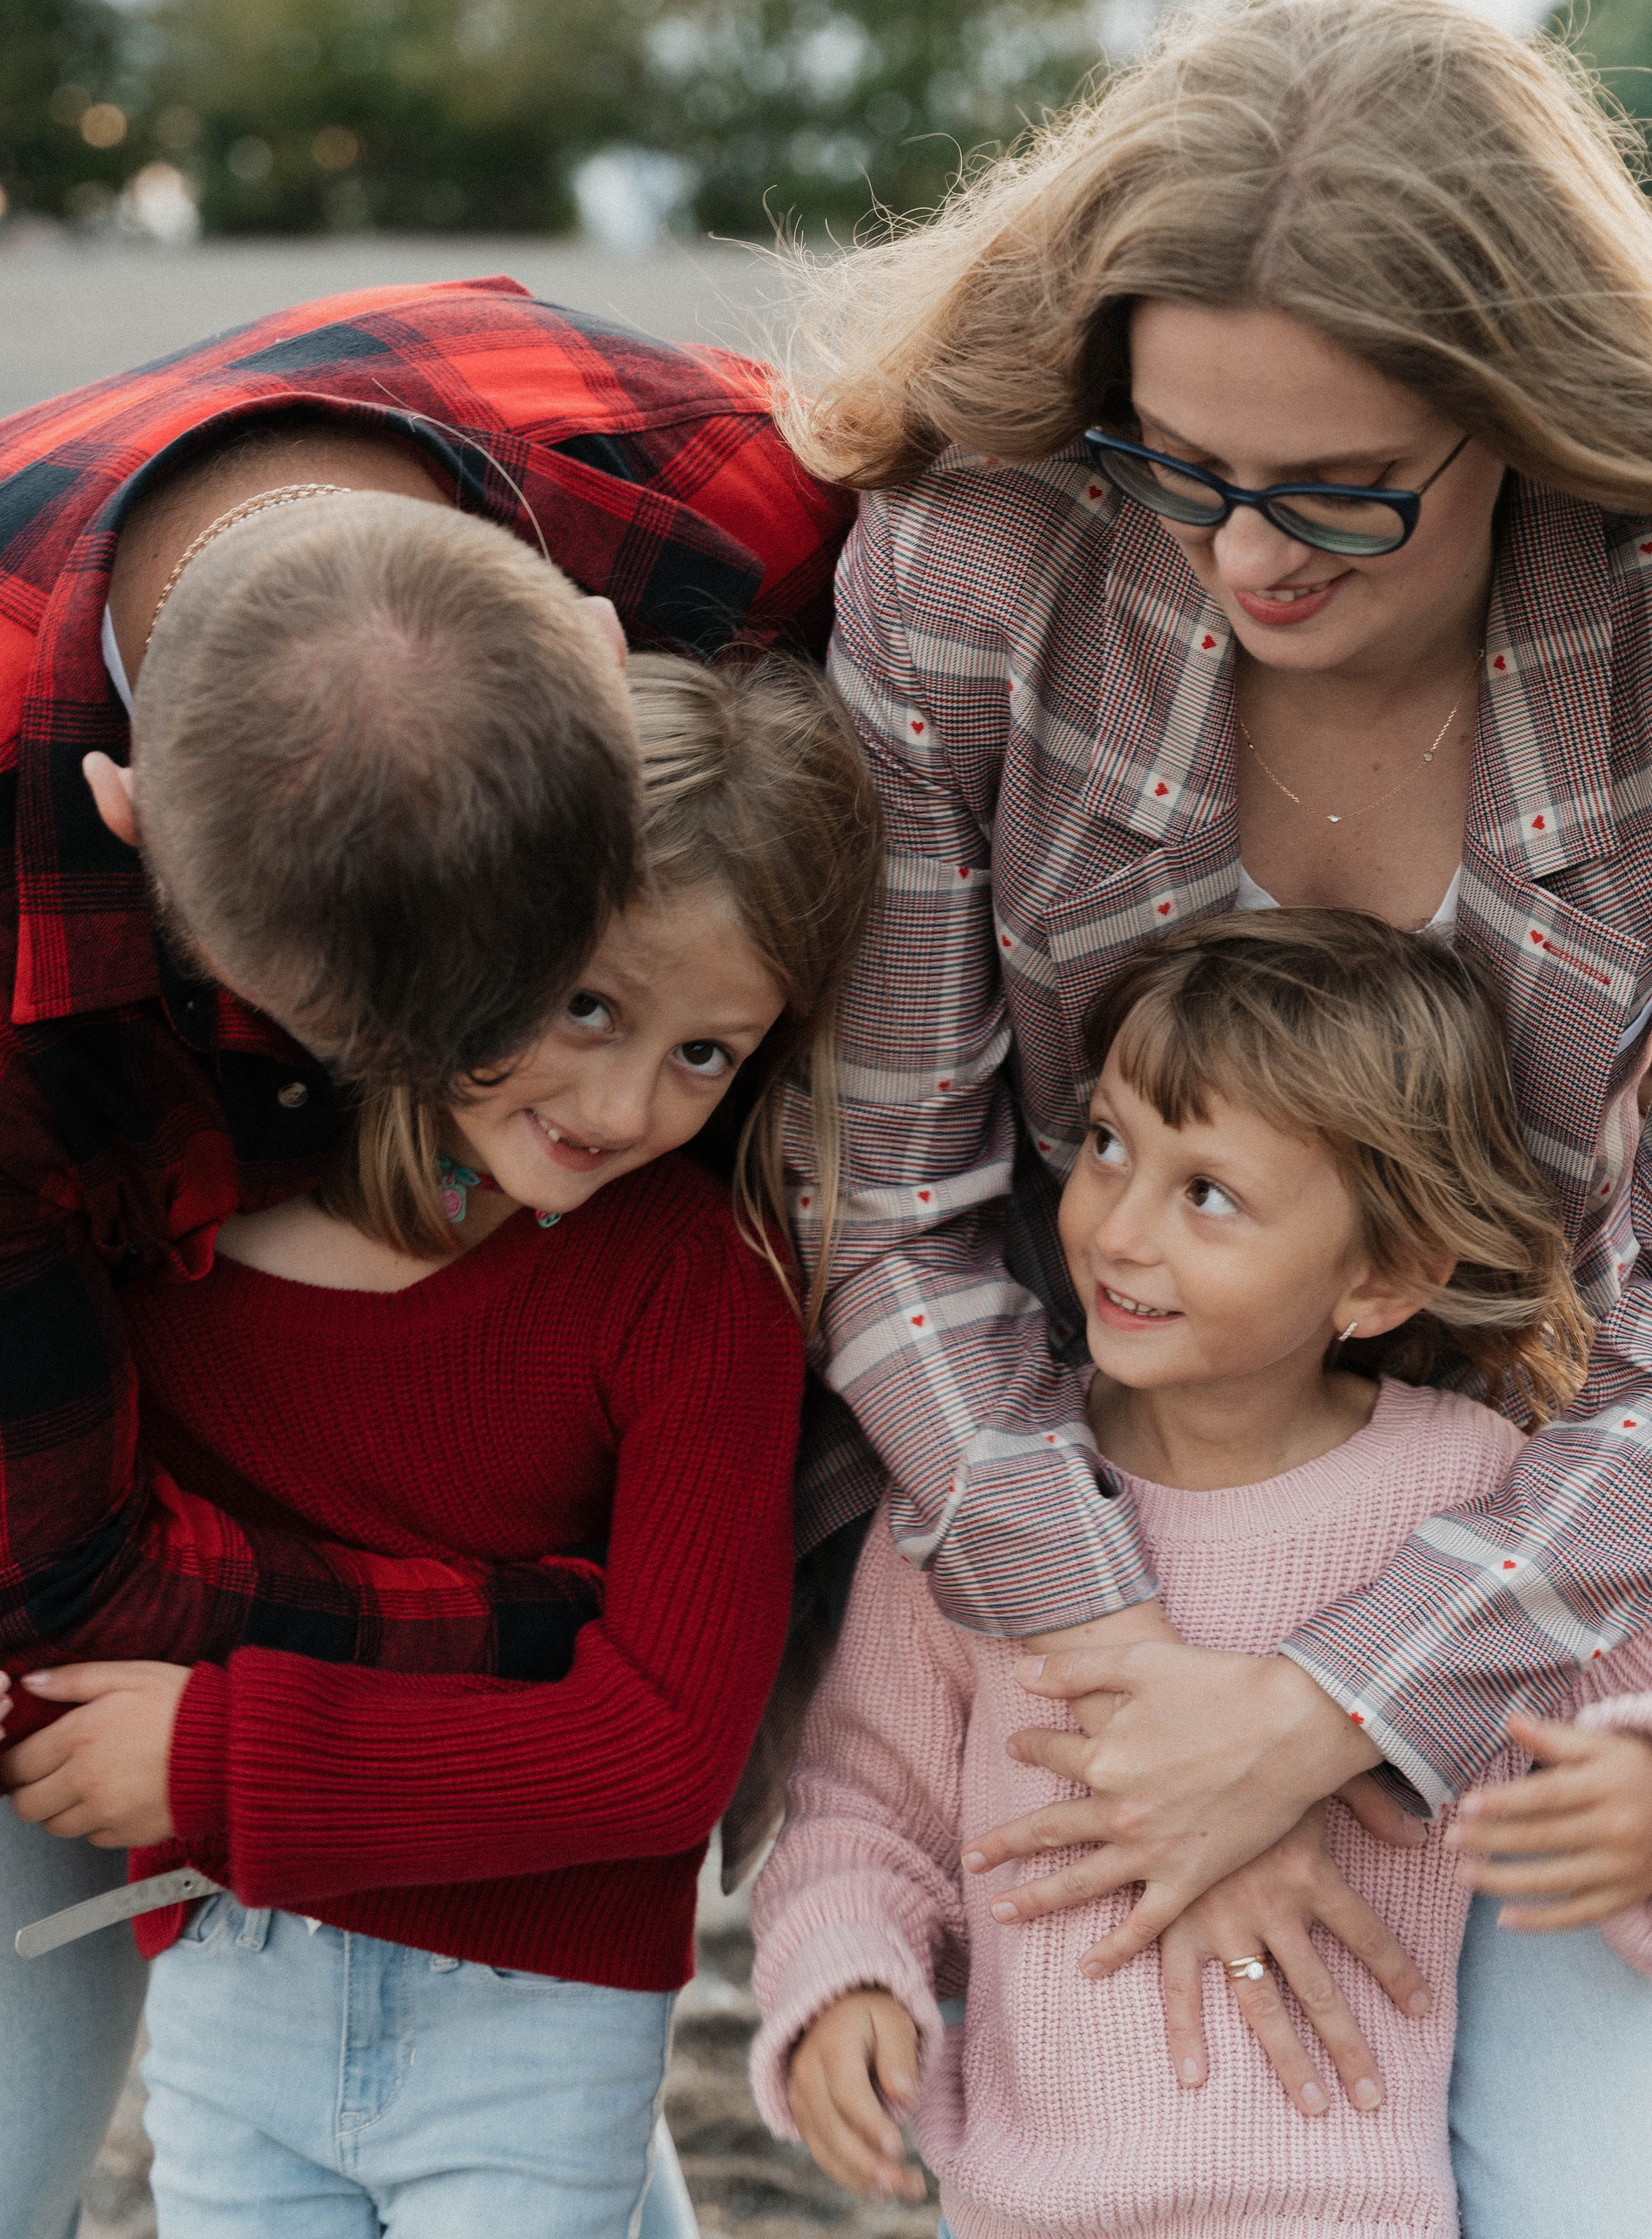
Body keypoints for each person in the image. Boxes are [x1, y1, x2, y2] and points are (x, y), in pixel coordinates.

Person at [772, 1, 1652, 2223]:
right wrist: (1138, 1689)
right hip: (1094, 1514)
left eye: (1345, 488)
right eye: (1182, 465)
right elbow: (901, 1204)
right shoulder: (978, 572)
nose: (1250, 556)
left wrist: (1330, 1713)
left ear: (1528, 423)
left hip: (1574, 1574)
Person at [0, 279, 852, 2239]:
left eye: (535, 993)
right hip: (226, 1864)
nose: (586, 1114)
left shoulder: (755, 502)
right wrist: (561, 1633)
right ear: (122, 818)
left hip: (483, 1945)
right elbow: (58, 1577)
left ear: (606, 668)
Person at [753, 913, 1652, 2238]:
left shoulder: (1466, 1494)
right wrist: (844, 1980)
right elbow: (860, 1805)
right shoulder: (985, 1492)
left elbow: (1606, 1747)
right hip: (1020, 2214)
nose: (1115, 1229)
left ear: (1381, 1275)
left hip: (1342, 2216)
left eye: (1207, 1194)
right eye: (1108, 1143)